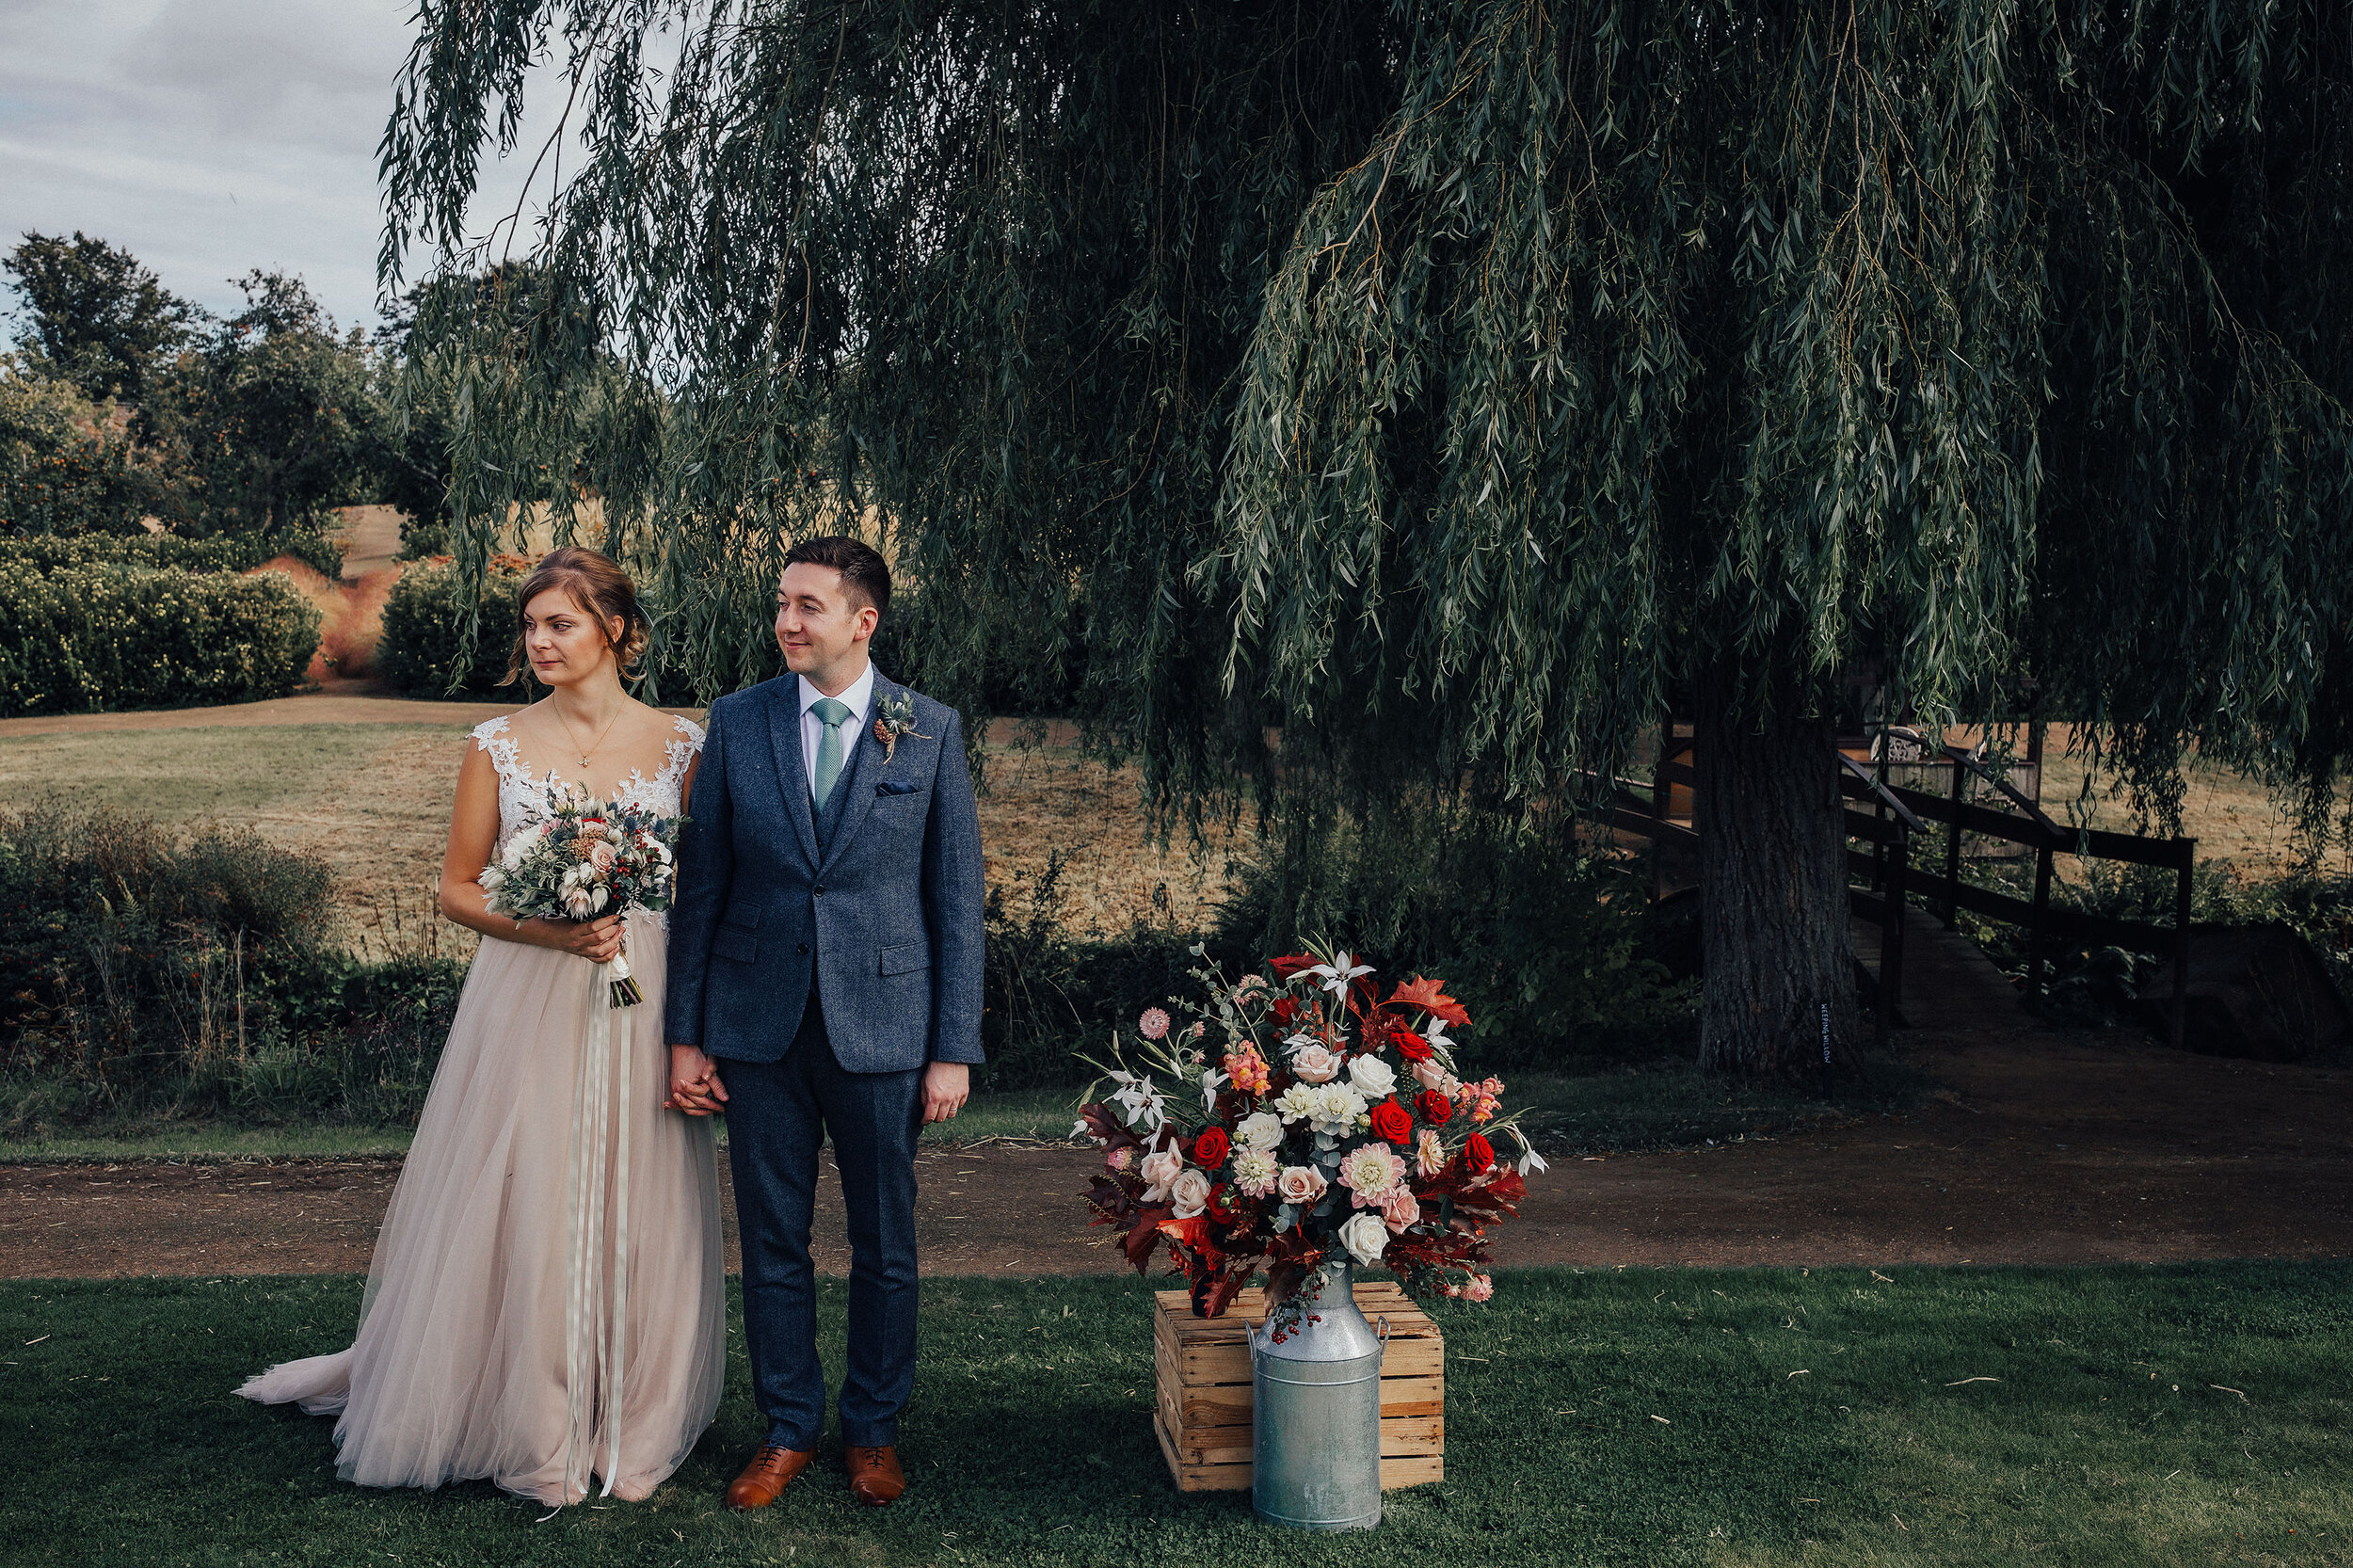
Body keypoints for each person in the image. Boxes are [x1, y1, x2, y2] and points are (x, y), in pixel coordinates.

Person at [236, 547, 725, 1508]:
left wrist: (694, 1019)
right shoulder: (495, 742)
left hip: (648, 993)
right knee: (530, 1194)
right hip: (529, 993)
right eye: (531, 624)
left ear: (615, 630)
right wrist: (548, 925)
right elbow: (457, 890)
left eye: (561, 624)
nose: (538, 641)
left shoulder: (683, 745)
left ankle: (626, 1422)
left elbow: (700, 891)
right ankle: (537, 1426)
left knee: (642, 1198)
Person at [664, 535, 984, 1511]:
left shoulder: (925, 729)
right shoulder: (739, 719)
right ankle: (790, 1426)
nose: (786, 622)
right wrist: (686, 1032)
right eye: (780, 604)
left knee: (886, 1242)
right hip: (756, 1027)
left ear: (862, 619)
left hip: (885, 1028)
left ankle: (873, 1429)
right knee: (773, 1239)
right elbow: (703, 887)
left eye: (807, 605)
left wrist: (951, 1047)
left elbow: (955, 899)